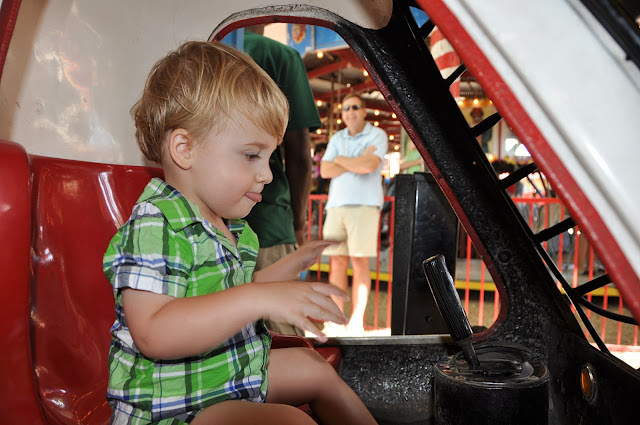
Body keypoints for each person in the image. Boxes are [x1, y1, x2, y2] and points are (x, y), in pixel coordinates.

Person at [103, 41, 377, 425]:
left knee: (312, 367)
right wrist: (258, 297)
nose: (266, 174)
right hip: (171, 406)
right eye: (251, 155)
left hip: (222, 379)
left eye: (270, 157)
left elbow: (233, 292)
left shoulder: (230, 227)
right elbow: (153, 333)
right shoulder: (156, 224)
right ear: (184, 149)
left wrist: (288, 268)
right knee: (293, 422)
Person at [242, 25, 322, 336]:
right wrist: (299, 224)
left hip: (211, 218)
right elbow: (300, 156)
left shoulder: (199, 47)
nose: (262, 172)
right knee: (282, 332)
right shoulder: (280, 56)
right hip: (269, 219)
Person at [320, 93, 388, 334]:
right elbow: (325, 170)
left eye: (354, 107)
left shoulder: (377, 135)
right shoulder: (337, 137)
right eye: (346, 108)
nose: (350, 112)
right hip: (336, 206)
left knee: (360, 262)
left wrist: (340, 160)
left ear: (364, 111)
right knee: (337, 262)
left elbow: (369, 166)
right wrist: (356, 160)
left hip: (364, 205)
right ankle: (337, 318)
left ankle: (357, 320)